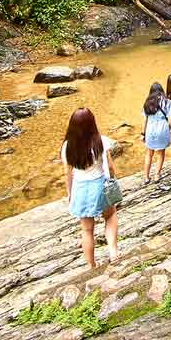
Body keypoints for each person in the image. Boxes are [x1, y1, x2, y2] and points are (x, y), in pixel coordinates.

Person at [61, 107, 119, 267]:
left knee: (87, 230)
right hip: (100, 185)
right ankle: (113, 252)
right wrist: (113, 181)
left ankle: (92, 265)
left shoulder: (67, 146)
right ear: (92, 123)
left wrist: (70, 193)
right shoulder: (100, 141)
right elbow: (111, 167)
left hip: (80, 188)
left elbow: (68, 173)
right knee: (110, 216)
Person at [142, 82, 171, 188]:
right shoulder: (167, 101)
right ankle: (156, 175)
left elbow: (145, 120)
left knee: (149, 154)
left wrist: (143, 133)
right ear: (161, 90)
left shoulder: (147, 102)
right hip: (162, 129)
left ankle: (146, 177)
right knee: (160, 153)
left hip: (150, 130)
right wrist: (169, 129)